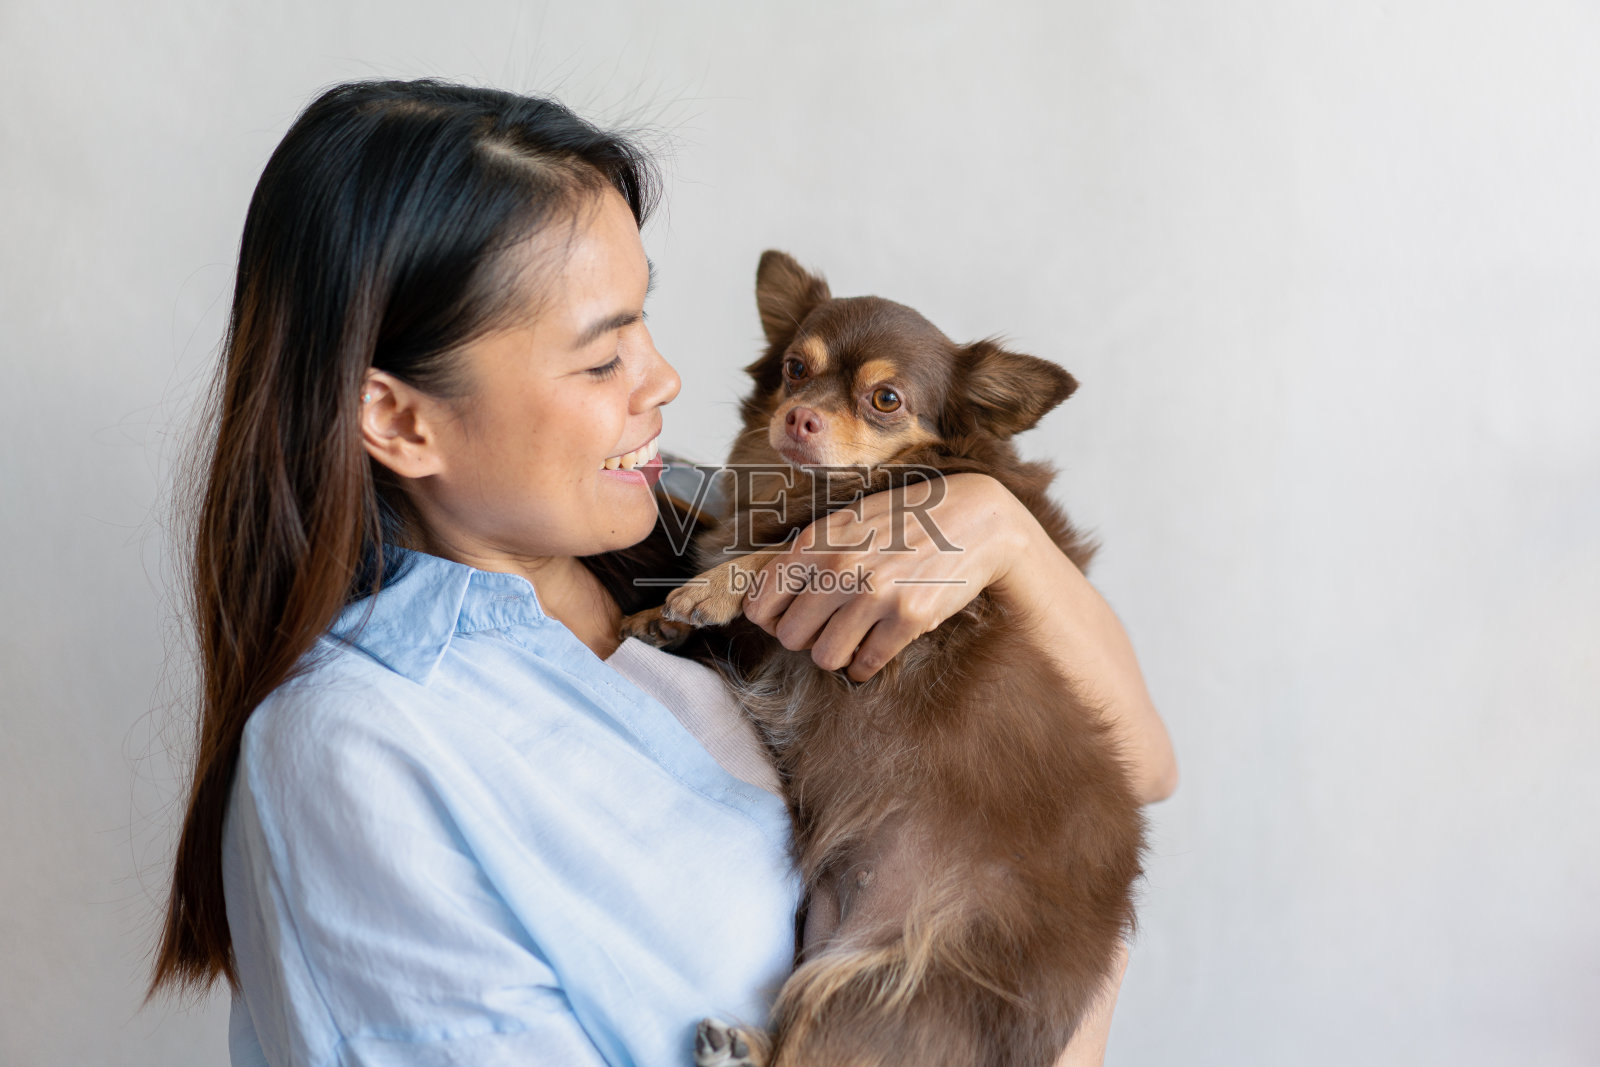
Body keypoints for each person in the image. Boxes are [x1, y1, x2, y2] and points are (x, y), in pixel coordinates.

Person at [147, 78, 1177, 1067]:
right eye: (601, 358)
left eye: (643, 316)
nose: (667, 379)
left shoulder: (697, 532)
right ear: (399, 419)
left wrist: (1001, 528)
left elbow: (1136, 766)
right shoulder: (360, 747)